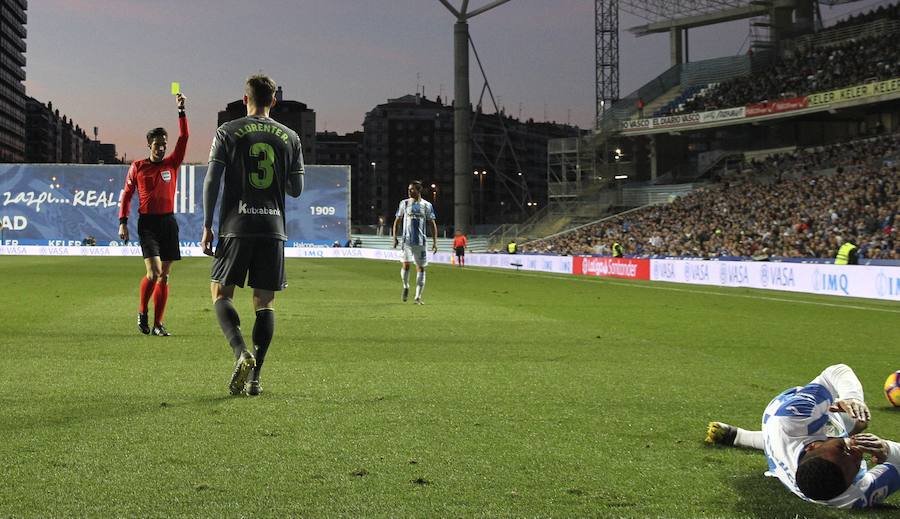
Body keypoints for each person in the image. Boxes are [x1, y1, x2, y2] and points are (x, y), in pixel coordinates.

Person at [201, 74, 304, 396]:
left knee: (221, 293)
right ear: (274, 100)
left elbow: (212, 182)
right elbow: (297, 189)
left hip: (236, 225)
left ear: (245, 99)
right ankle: (256, 377)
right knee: (264, 302)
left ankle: (240, 352)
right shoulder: (291, 137)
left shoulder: (227, 131)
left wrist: (207, 225)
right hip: (273, 228)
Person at [706, 364, 900, 508]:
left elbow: (836, 371)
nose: (857, 451)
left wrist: (852, 397)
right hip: (794, 441)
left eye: (843, 449)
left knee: (848, 413)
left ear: (812, 447)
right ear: (850, 483)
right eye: (858, 461)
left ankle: (740, 436)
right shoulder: (852, 495)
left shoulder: (795, 417)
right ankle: (738, 436)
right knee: (855, 423)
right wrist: (887, 449)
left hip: (785, 411)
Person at [118, 93, 188, 337]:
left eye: (164, 144)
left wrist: (181, 111)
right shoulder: (138, 166)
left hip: (168, 223)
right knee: (154, 272)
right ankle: (142, 311)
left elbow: (185, 137)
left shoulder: (172, 163)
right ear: (149, 145)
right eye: (157, 144)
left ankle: (158, 324)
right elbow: (127, 195)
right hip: (147, 224)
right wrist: (123, 222)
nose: (161, 148)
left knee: (165, 277)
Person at [392, 181, 437, 304]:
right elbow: (397, 220)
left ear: (419, 190)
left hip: (421, 242)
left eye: (412, 189)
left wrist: (434, 241)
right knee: (406, 265)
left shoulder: (427, 205)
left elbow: (432, 224)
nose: (409, 191)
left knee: (421, 268)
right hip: (406, 241)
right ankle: (406, 286)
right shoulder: (404, 203)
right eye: (409, 189)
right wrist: (394, 237)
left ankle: (418, 297)